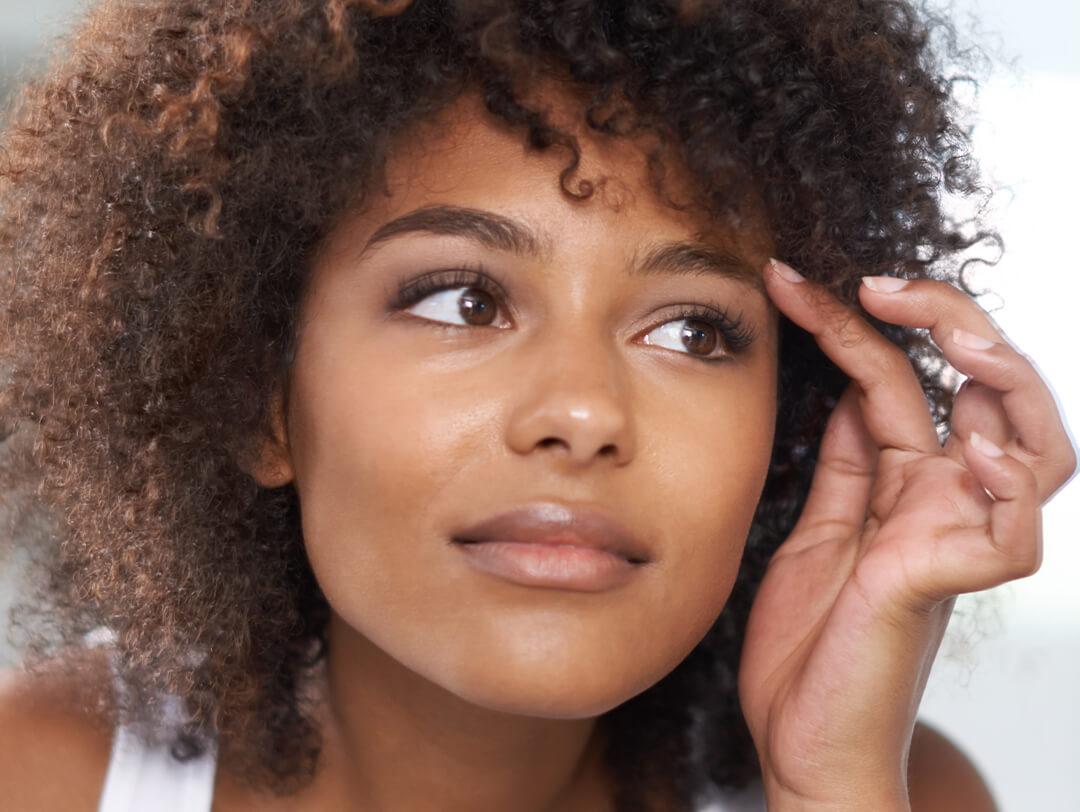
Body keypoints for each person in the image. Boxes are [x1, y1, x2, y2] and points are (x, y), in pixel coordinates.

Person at [0, 0, 1074, 810]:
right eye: (464, 300)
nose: (583, 412)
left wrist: (831, 783)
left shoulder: (891, 787)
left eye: (693, 330)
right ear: (256, 398)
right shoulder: (42, 772)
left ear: (791, 429)